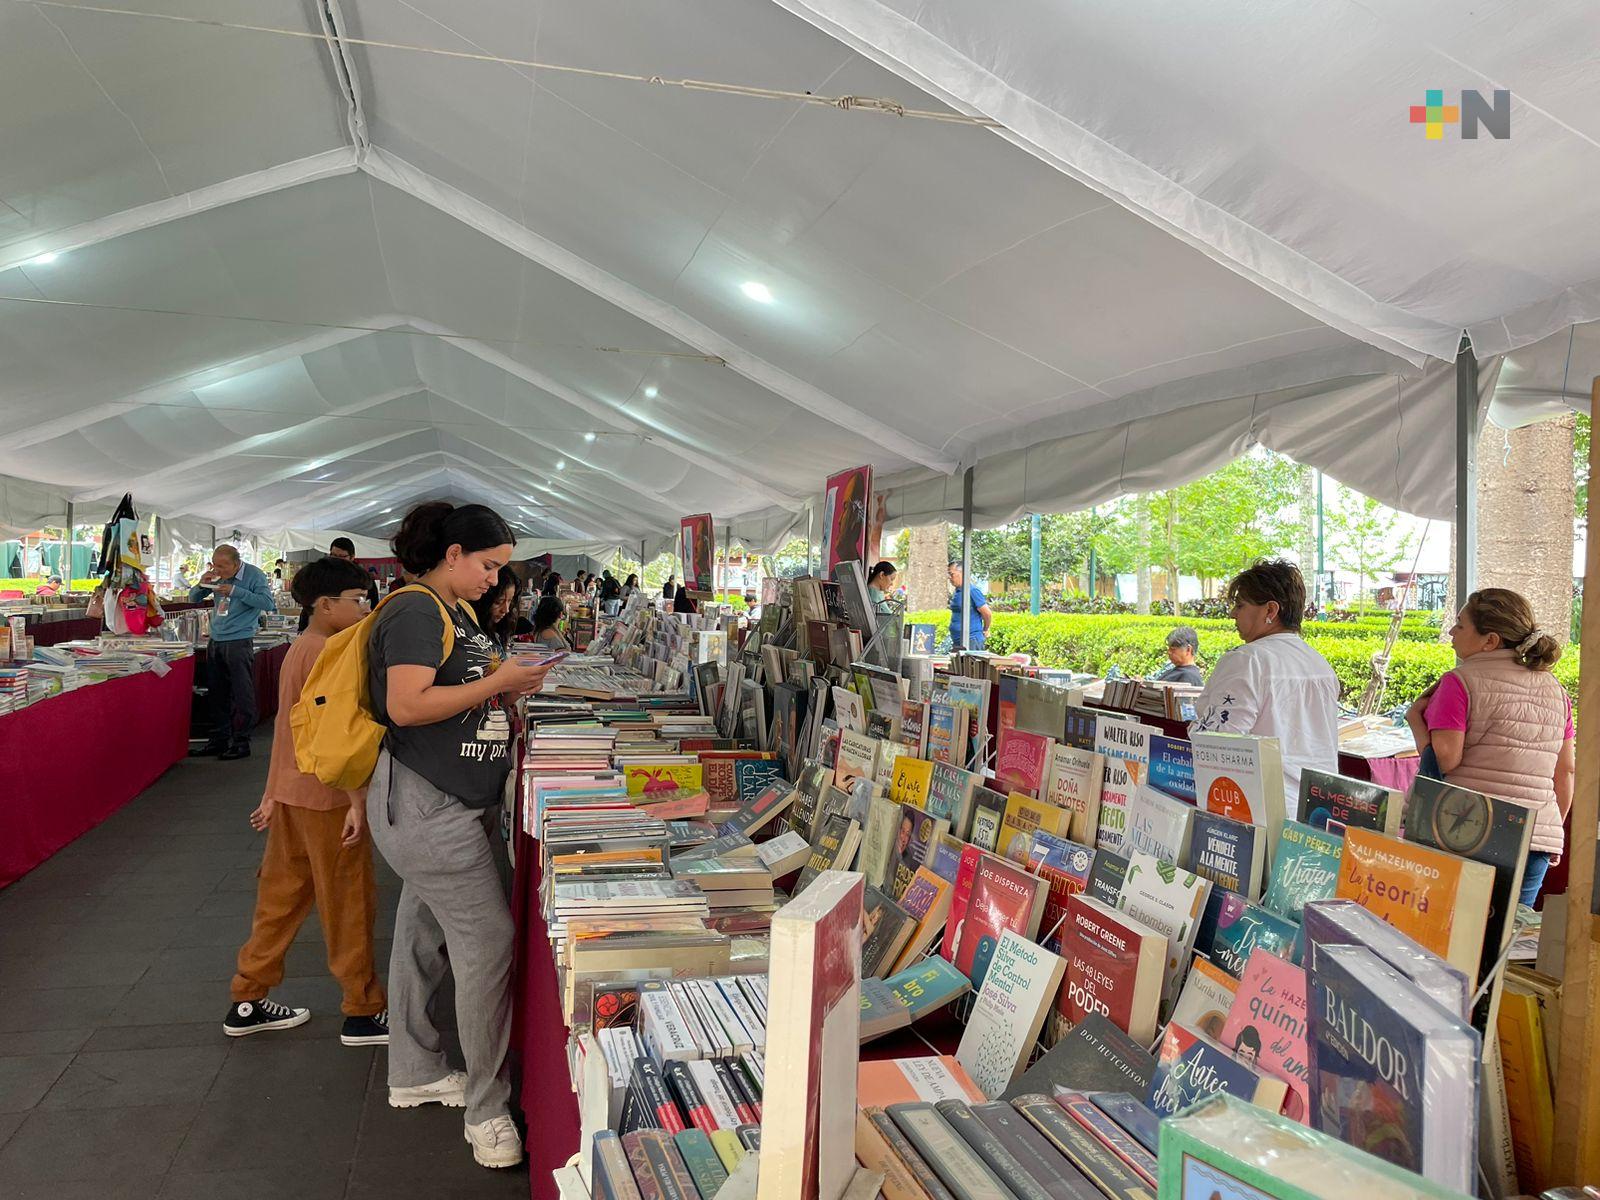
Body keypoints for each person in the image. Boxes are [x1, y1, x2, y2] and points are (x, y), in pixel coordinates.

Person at [365, 501, 552, 1169]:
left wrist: (502, 692)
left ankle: (413, 1069)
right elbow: (406, 704)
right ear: (453, 556)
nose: (495, 579)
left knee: (422, 931)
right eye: (489, 565)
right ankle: (487, 1109)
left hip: (444, 800)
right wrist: (501, 681)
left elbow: (452, 693)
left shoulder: (451, 612)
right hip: (428, 806)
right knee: (486, 940)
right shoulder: (417, 609)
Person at [225, 556, 387, 1045]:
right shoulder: (330, 653)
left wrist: (274, 791)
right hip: (330, 799)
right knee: (348, 903)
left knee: (279, 899)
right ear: (324, 605)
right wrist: (357, 801)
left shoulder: (301, 649)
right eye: (357, 601)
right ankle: (361, 1008)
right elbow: (337, 741)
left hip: (295, 795)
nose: (364, 609)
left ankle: (248, 998)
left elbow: (284, 731)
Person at [1405, 589, 1574, 907]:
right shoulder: (1557, 691)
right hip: (1534, 839)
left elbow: (1446, 759)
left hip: (1469, 833)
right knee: (1507, 943)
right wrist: (1549, 829)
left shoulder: (1458, 682)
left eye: (1460, 625)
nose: (1452, 632)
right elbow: (1565, 771)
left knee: (1455, 941)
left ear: (1490, 641)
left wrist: (1416, 720)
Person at [1190, 559, 1339, 806]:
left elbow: (1214, 744)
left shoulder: (1247, 660)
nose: (1232, 614)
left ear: (1270, 610)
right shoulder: (1320, 664)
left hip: (1260, 812)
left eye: (1240, 605)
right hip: (1317, 812)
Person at [189, 545, 277, 760]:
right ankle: (219, 738)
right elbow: (193, 598)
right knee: (217, 692)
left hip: (239, 640)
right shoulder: (216, 576)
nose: (218, 570)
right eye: (215, 564)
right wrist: (203, 583)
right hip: (216, 638)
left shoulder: (254, 575)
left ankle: (241, 741)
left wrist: (237, 591)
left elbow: (267, 603)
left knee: (241, 692)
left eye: (223, 566)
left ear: (236, 563)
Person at [473, 567, 533, 652]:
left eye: (510, 601)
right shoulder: (471, 631)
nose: (506, 609)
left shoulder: (500, 629)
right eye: (498, 602)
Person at [947, 562, 991, 651]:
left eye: (952, 574)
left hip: (971, 639)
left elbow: (987, 613)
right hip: (958, 640)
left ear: (962, 573)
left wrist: (985, 629)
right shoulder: (957, 591)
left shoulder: (972, 591)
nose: (949, 577)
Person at [330, 536, 381, 609]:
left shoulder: (363, 578)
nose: (337, 560)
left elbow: (374, 606)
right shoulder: (322, 575)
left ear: (352, 557)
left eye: (342, 556)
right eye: (334, 555)